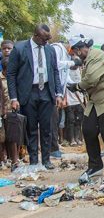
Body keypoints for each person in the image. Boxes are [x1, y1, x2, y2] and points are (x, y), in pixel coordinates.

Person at [66, 36, 104, 183]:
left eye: (74, 53)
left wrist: (77, 86)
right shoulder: (87, 60)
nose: (75, 56)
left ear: (79, 50)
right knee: (88, 129)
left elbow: (91, 79)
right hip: (95, 101)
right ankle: (95, 165)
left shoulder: (97, 55)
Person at [6, 24, 63, 169]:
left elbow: (55, 71)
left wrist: (58, 93)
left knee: (47, 127)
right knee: (31, 128)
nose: (46, 42)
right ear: (36, 36)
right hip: (28, 92)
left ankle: (46, 160)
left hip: (46, 92)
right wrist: (14, 98)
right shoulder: (19, 49)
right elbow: (11, 74)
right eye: (44, 39)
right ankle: (33, 161)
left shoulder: (50, 50)